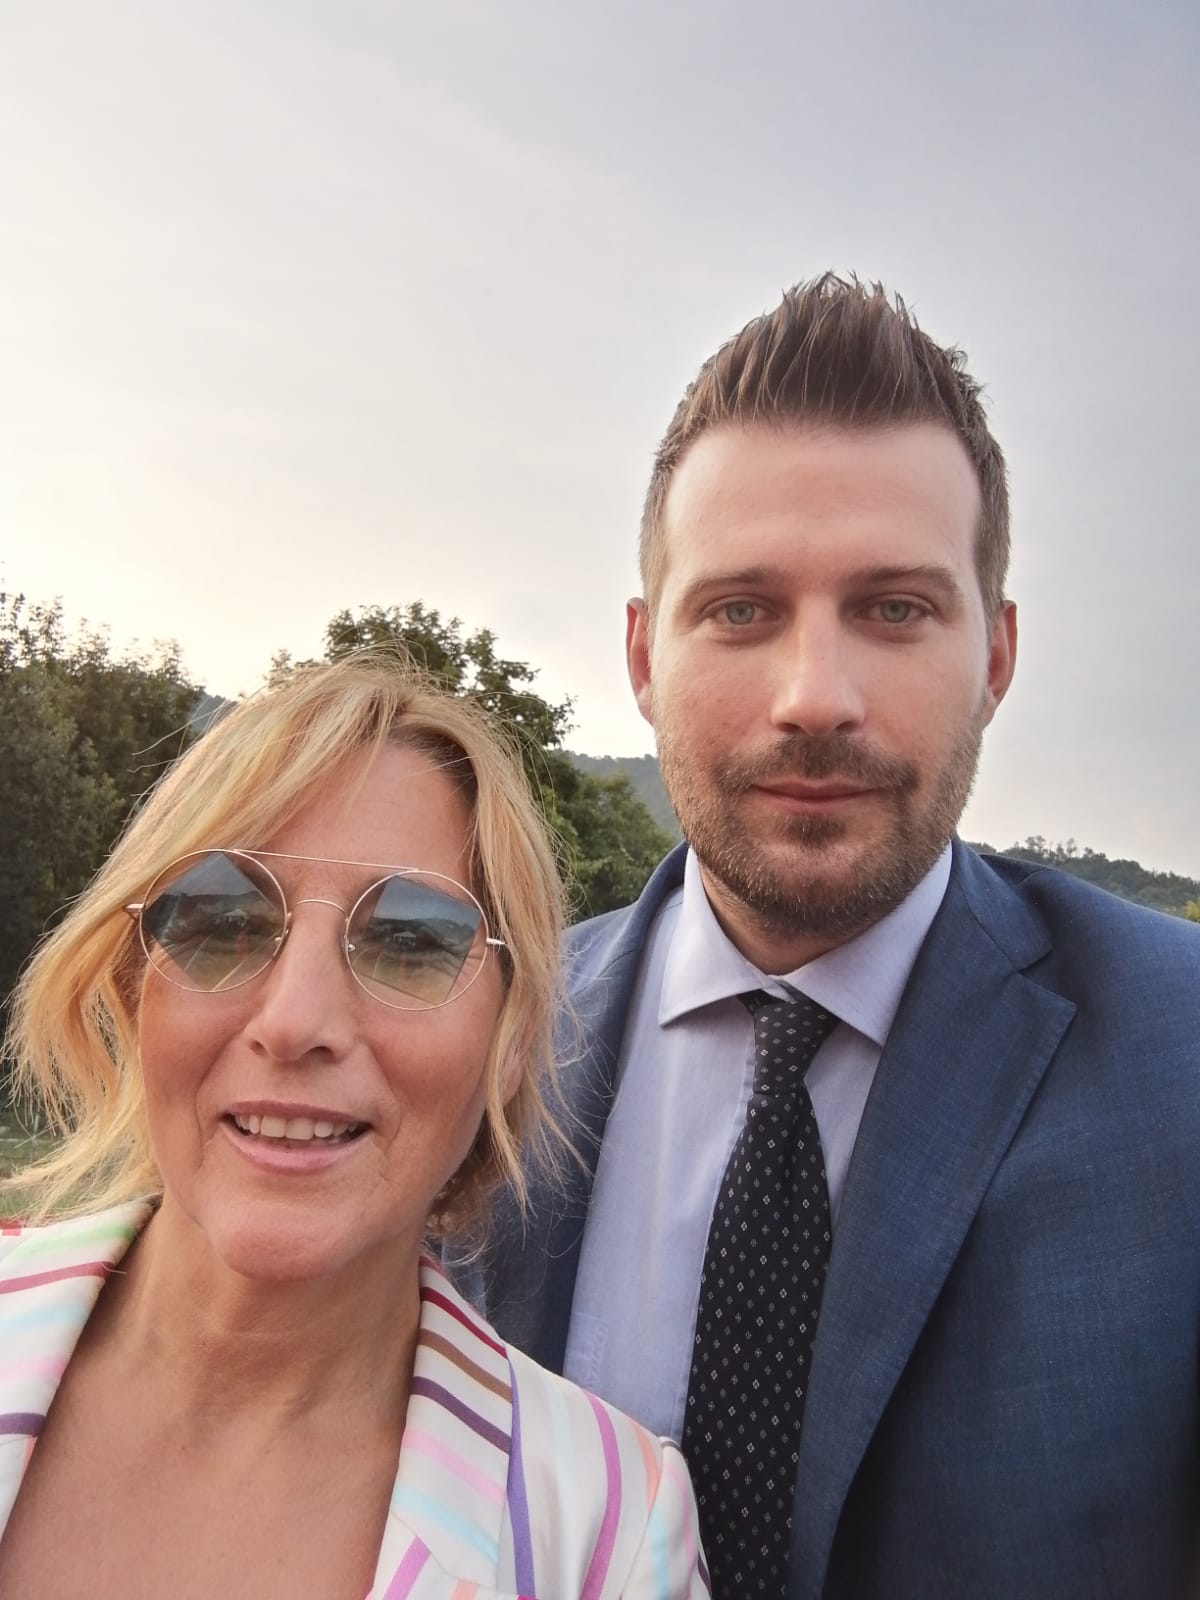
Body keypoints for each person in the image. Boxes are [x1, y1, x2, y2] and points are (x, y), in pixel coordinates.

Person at [451, 276, 1200, 1599]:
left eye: (895, 608)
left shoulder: (1180, 1057)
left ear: (997, 656)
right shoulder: (475, 1035)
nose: (814, 697)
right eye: (741, 609)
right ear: (643, 655)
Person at [0, 655, 708, 1600]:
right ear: (135, 992)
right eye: (221, 919)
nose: (295, 1021)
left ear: (508, 1042)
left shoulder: (610, 1538)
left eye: (410, 941)